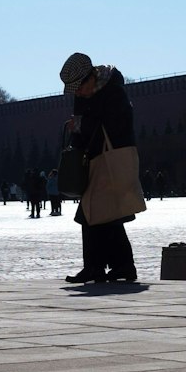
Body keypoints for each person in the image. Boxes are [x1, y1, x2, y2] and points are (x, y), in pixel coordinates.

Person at [61, 52, 141, 285]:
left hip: (111, 158)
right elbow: (81, 129)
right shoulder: (83, 95)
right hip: (94, 160)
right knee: (107, 214)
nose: (78, 94)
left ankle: (96, 267)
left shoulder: (114, 91)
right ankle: (122, 265)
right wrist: (74, 151)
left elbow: (118, 125)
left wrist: (83, 124)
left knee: (92, 213)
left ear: (91, 78)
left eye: (79, 88)